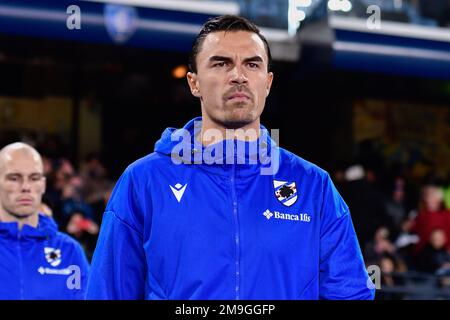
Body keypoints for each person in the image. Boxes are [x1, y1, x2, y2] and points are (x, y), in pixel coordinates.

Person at [86, 15, 374, 300]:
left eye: (252, 64)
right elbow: (107, 293)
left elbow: (350, 294)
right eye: (221, 63)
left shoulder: (315, 187)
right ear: (194, 83)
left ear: (268, 82)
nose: (238, 75)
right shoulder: (143, 181)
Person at [0, 142, 89, 299]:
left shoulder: (70, 251)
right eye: (14, 178)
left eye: (34, 178)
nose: (26, 187)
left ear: (43, 184)